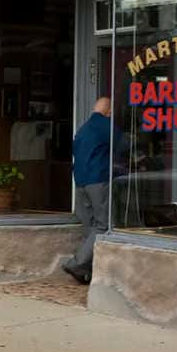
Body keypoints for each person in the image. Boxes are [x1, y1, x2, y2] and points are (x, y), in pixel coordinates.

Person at [64, 97, 112, 284]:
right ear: (109, 112)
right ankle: (77, 263)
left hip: (80, 181)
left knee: (90, 226)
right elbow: (124, 145)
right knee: (102, 226)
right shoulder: (104, 124)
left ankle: (87, 271)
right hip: (97, 180)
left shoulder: (83, 128)